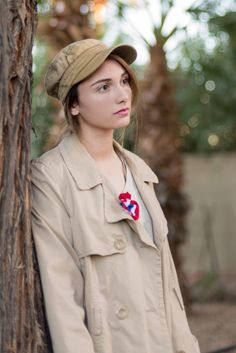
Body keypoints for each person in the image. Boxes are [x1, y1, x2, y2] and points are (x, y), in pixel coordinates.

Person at [31, 38, 200, 353]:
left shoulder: (140, 171)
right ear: (74, 104)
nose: (123, 94)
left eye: (124, 81)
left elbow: (170, 291)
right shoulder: (50, 178)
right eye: (103, 87)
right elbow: (62, 299)